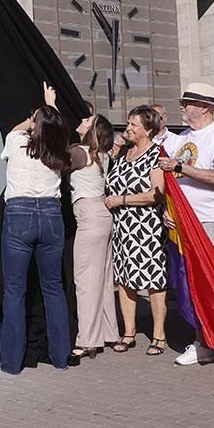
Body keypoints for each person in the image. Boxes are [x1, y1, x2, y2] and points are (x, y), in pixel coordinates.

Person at [158, 83, 214, 368]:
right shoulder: (181, 138)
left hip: (213, 219)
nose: (182, 107)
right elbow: (170, 182)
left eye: (188, 103)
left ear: (205, 107)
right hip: (186, 221)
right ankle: (203, 342)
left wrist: (182, 167)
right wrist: (167, 209)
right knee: (194, 284)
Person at [0, 84, 73, 373]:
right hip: (52, 215)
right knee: (53, 289)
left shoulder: (17, 142)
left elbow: (17, 129)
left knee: (15, 291)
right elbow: (59, 131)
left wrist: (36, 116)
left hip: (19, 214)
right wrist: (50, 107)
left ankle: (12, 362)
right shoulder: (59, 151)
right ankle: (60, 357)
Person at [104, 106, 169, 356]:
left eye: (134, 125)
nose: (128, 128)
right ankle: (129, 333)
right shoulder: (124, 153)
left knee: (154, 281)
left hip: (147, 227)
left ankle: (159, 335)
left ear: (148, 130)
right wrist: (119, 144)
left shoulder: (156, 154)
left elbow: (156, 194)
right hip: (122, 227)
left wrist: (121, 200)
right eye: (128, 123)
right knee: (124, 279)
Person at [68, 114, 119, 359]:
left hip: (88, 217)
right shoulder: (102, 155)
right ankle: (108, 332)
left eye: (88, 120)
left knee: (86, 280)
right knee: (103, 279)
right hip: (103, 215)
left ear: (93, 131)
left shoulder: (79, 152)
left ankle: (88, 339)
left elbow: (52, 159)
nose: (82, 119)